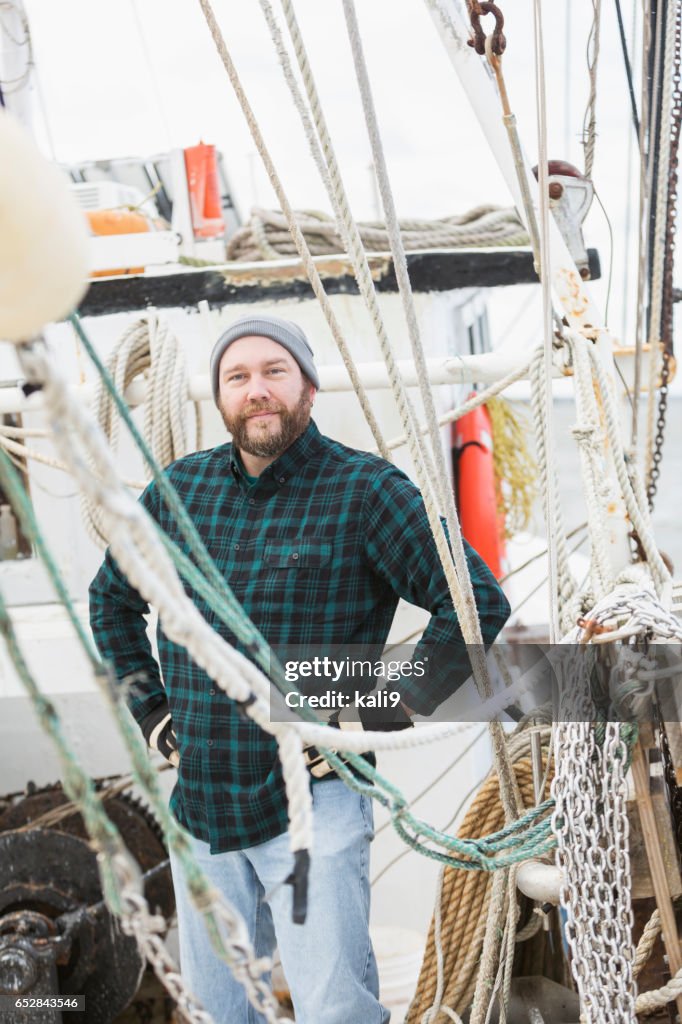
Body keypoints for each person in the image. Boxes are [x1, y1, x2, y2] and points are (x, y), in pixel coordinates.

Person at [89, 314, 510, 1024]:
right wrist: (155, 716)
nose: (257, 390)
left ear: (308, 386)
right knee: (220, 1013)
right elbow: (110, 604)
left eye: (275, 371)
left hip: (316, 809)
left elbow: (476, 608)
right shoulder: (179, 492)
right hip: (201, 807)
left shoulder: (367, 491)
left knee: (334, 1011)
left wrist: (371, 711)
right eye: (239, 376)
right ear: (222, 396)